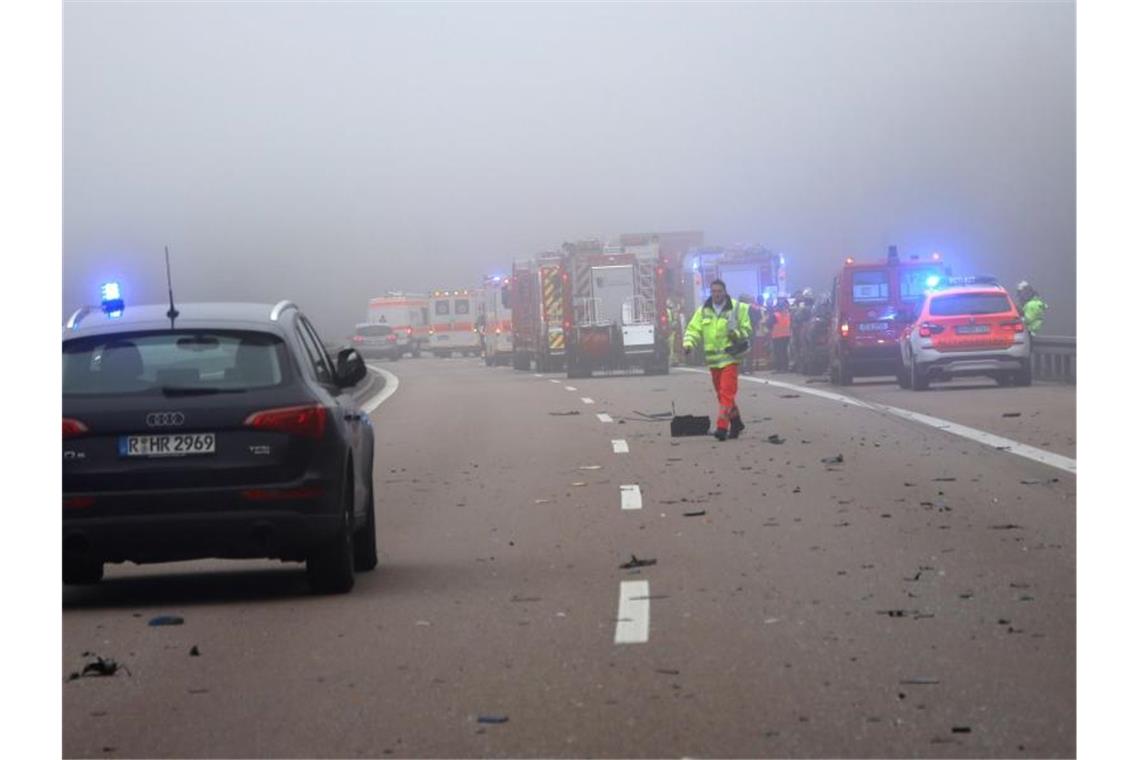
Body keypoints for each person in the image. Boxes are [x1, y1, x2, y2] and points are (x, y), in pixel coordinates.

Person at [683, 279, 752, 441]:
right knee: (722, 395)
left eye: (719, 291)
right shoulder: (704, 311)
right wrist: (688, 344)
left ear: (725, 291)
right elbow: (693, 329)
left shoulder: (737, 308)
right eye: (713, 291)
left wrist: (736, 334)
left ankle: (722, 427)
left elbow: (747, 329)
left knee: (727, 393)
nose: (716, 294)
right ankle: (736, 422)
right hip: (713, 361)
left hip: (730, 358)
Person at [767, 298, 792, 372]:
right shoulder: (788, 314)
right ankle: (785, 367)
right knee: (784, 352)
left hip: (777, 335)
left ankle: (779, 368)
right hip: (786, 335)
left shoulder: (775, 315)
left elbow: (769, 324)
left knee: (778, 352)